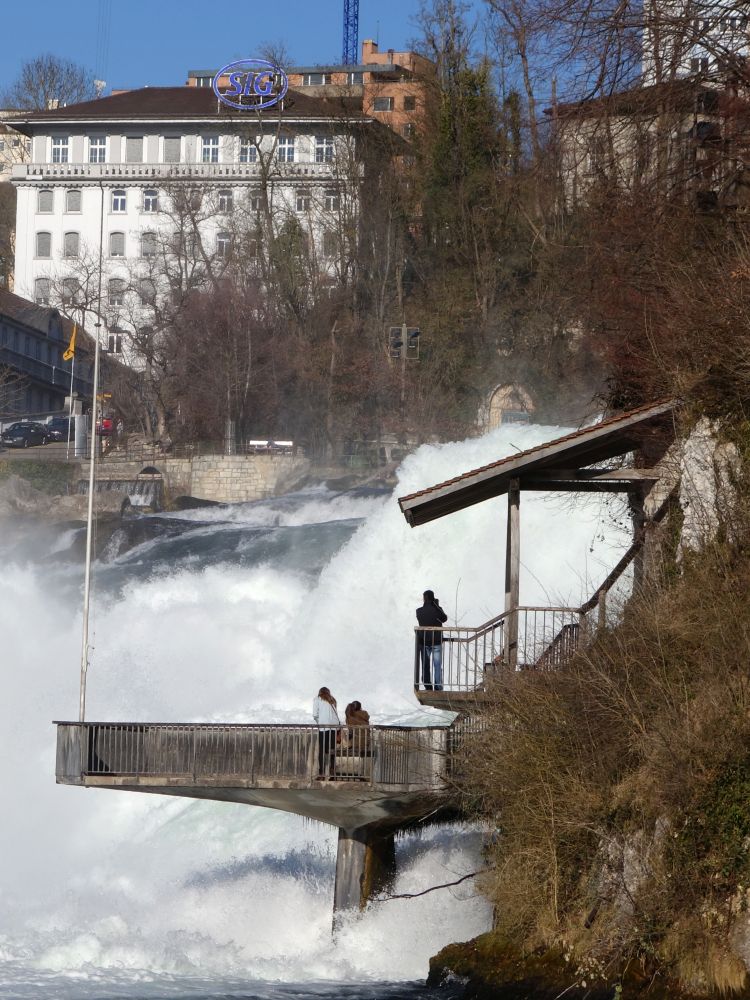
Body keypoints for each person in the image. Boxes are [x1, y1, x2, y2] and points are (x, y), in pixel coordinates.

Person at [416, 590, 448, 690]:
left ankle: (427, 685)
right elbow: (444, 618)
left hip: (424, 642)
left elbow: (423, 620)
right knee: (437, 666)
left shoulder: (419, 611)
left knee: (425, 665)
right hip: (436, 641)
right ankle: (438, 687)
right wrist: (437, 606)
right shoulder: (437, 610)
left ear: (424, 598)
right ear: (433, 598)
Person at [312, 686, 340, 779]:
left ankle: (321, 774)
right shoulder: (333, 700)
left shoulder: (317, 699)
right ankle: (332, 774)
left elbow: (315, 714)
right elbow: (335, 714)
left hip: (323, 728)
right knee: (332, 750)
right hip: (333, 727)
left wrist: (320, 722)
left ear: (320, 692)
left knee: (322, 750)